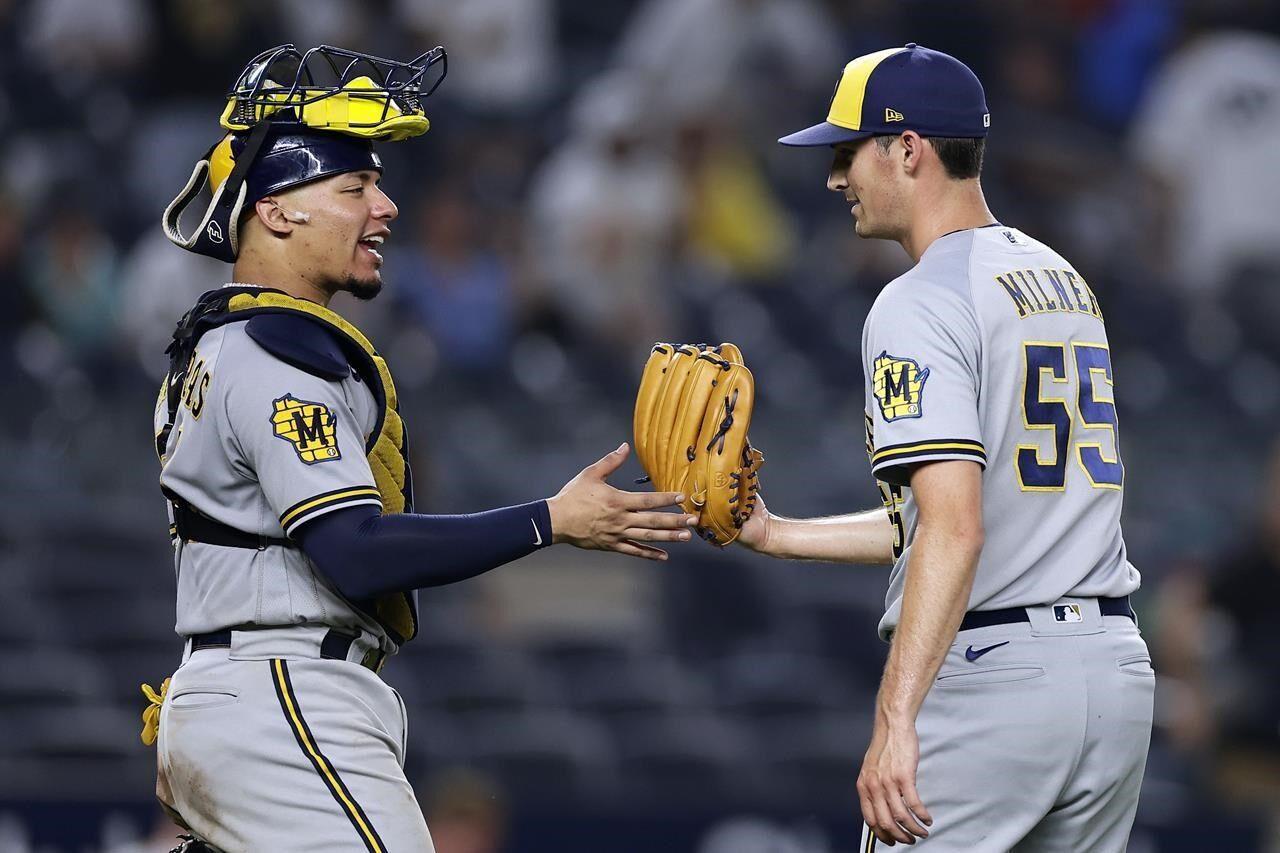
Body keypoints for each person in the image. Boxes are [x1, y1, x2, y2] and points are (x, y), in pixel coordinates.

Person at [145, 44, 692, 851]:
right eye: (355, 186)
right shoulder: (279, 350)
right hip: (283, 697)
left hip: (236, 690)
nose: (386, 206)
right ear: (279, 210)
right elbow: (354, 552)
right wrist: (551, 518)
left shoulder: (215, 346)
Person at [736, 44, 1154, 849]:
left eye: (846, 151)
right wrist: (778, 533)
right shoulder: (1062, 276)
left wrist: (896, 719)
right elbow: (959, 512)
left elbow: (957, 528)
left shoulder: (918, 300)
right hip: (1113, 674)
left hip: (999, 680)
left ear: (907, 148)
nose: (834, 178)